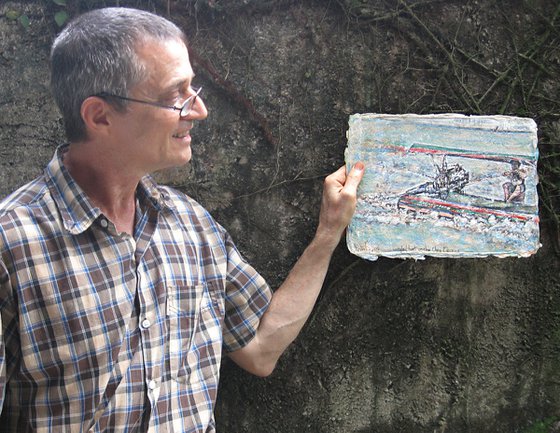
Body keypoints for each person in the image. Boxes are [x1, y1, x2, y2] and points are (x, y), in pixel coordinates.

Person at [0, 7, 364, 433]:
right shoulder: (12, 244)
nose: (200, 110)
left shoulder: (191, 225)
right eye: (177, 95)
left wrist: (328, 232)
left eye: (194, 88)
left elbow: (261, 349)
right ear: (99, 116)